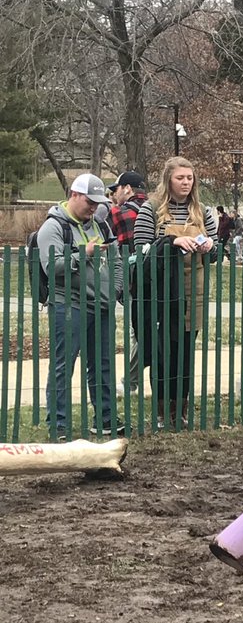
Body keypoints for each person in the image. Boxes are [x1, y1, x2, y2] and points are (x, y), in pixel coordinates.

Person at [37, 172, 123, 440]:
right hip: (68, 306)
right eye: (89, 201)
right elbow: (51, 267)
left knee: (103, 365)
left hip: (102, 306)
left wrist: (115, 288)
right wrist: (82, 254)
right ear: (74, 195)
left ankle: (106, 419)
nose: (94, 207)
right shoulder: (54, 227)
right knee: (64, 365)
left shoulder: (101, 224)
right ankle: (59, 425)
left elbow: (117, 260)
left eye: (98, 202)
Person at [133, 156, 217, 429]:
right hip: (162, 292)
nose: (186, 182)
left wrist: (209, 248)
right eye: (180, 178)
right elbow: (141, 250)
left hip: (194, 292)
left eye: (190, 178)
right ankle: (160, 413)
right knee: (162, 352)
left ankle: (179, 410)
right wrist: (171, 241)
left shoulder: (202, 211)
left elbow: (217, 251)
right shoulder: (151, 209)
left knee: (185, 353)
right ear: (168, 179)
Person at [109, 170, 148, 397]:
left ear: (128, 189)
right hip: (159, 278)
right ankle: (132, 380)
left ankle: (129, 382)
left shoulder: (121, 213)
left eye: (117, 189)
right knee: (145, 331)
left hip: (134, 280)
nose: (115, 194)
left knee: (140, 333)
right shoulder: (156, 210)